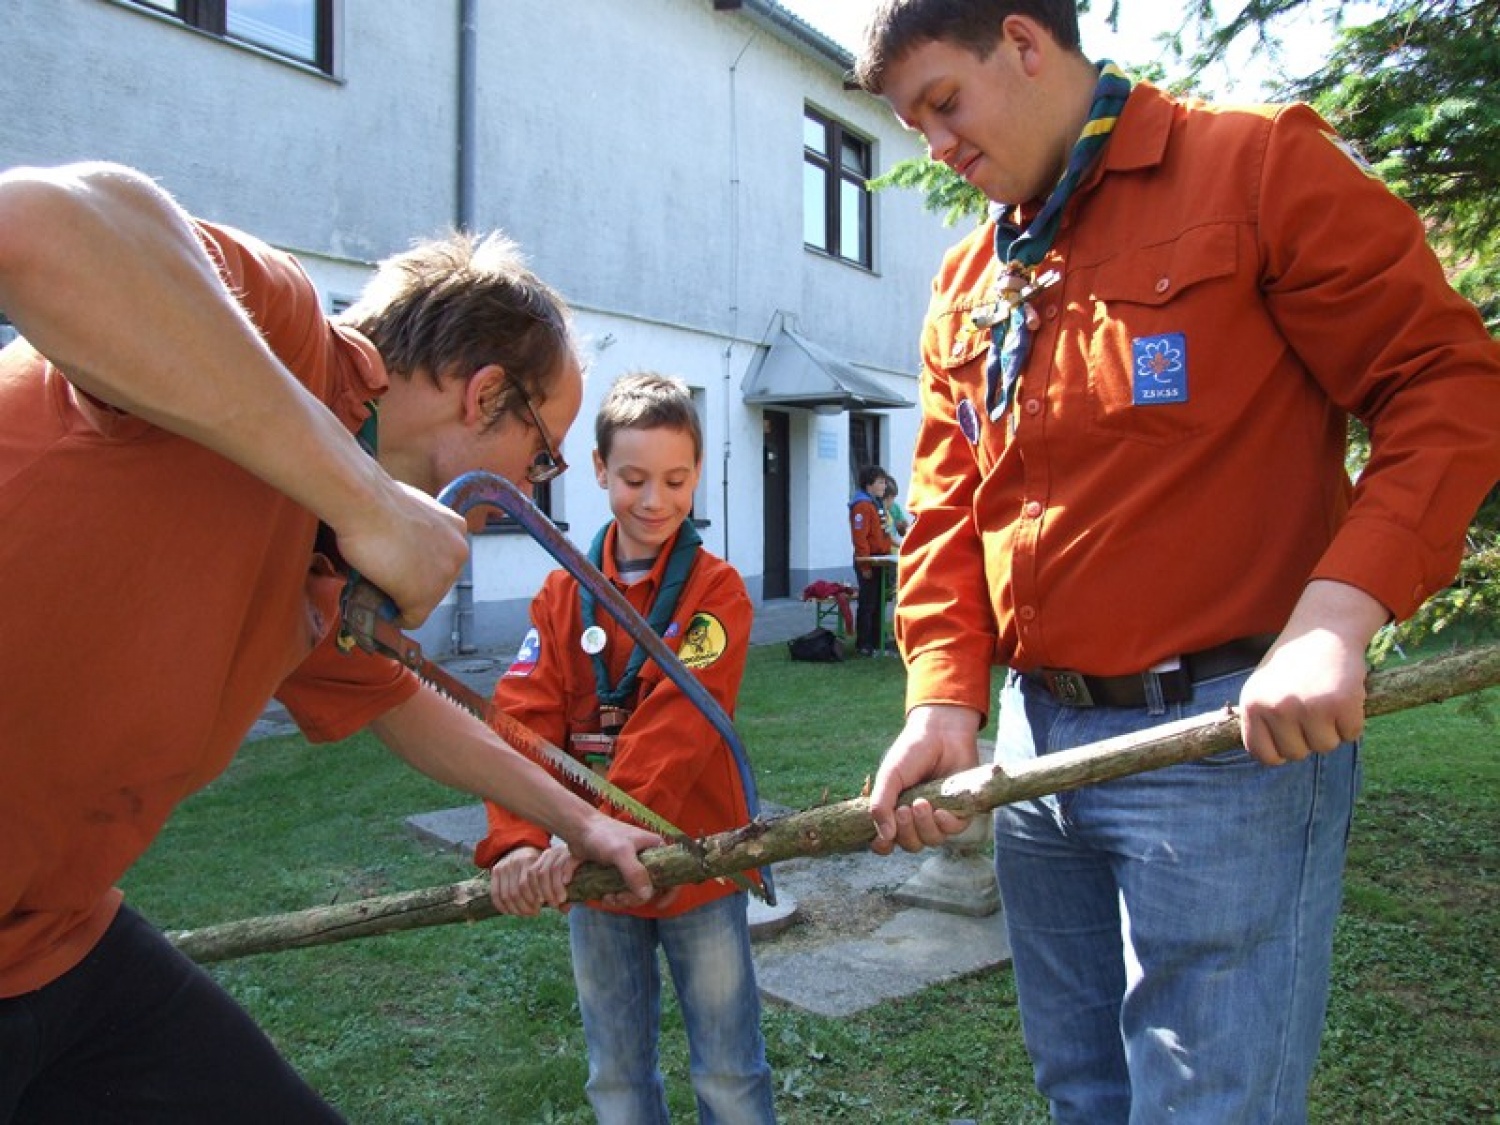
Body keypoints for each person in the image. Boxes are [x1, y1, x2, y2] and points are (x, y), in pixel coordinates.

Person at [852, 4, 1500, 1122]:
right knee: (1083, 1093)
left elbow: (1446, 387)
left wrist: (1332, 620)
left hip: (1224, 744)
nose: (936, 146)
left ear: (1023, 41)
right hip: (1029, 749)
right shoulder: (968, 278)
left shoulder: (1254, 169)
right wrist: (942, 698)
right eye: (912, 125)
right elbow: (951, 503)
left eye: (944, 102)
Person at [0, 161, 664, 1124]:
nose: (535, 487)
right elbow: (36, 224)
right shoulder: (276, 334)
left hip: (43, 946)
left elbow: (401, 700)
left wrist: (585, 820)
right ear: (485, 397)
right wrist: (365, 500)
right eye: (544, 454)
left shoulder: (321, 559)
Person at [476, 371, 775, 1124]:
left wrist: (585, 835)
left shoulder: (718, 593)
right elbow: (522, 720)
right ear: (600, 470)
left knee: (729, 1072)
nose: (655, 500)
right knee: (615, 1077)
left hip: (699, 867)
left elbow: (676, 730)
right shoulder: (558, 597)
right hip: (594, 885)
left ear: (698, 474)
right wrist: (518, 842)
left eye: (676, 479)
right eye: (634, 477)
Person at [849, 464, 895, 656]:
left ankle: (877, 642)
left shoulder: (876, 504)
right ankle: (864, 644)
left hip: (880, 560)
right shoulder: (862, 506)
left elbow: (883, 534)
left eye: (884, 482)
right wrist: (865, 564)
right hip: (868, 562)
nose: (884, 486)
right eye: (880, 482)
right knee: (868, 604)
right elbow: (860, 538)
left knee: (878, 603)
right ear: (869, 485)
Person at [882, 473, 911, 545]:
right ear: (888, 497)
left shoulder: (891, 510)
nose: (893, 502)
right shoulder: (882, 513)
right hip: (888, 551)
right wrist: (903, 546)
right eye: (892, 498)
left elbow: (903, 529)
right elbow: (888, 538)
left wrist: (903, 527)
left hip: (891, 551)